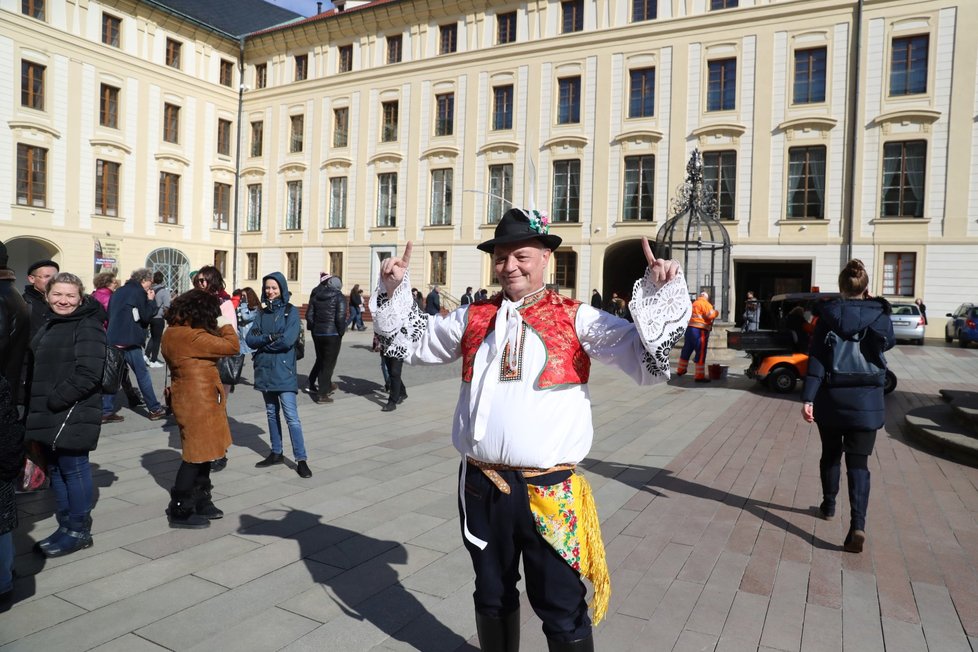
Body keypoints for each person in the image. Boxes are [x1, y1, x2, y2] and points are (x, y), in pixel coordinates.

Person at [370, 207, 690, 650]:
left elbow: (645, 358)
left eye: (521, 255)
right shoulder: (473, 316)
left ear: (545, 259)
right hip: (482, 485)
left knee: (561, 604)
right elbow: (413, 341)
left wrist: (660, 292)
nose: (509, 266)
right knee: (492, 594)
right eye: (501, 257)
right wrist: (392, 288)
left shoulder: (578, 317)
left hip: (550, 489)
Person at [801, 259, 895, 554]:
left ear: (841, 288)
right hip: (867, 400)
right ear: (866, 288)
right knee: (858, 464)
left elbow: (816, 358)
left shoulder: (827, 315)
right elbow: (888, 344)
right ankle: (858, 525)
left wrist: (808, 398)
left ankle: (828, 506)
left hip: (831, 398)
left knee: (830, 455)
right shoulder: (880, 313)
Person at [25, 272, 106, 557]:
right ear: (47, 296)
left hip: (72, 411)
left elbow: (89, 373)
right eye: (57, 294)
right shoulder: (51, 323)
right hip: (50, 411)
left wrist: (55, 400)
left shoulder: (87, 325)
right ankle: (65, 526)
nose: (63, 300)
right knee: (57, 470)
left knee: (74, 467)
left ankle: (79, 530)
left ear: (80, 298)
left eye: (70, 295)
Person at [161, 289, 239, 528]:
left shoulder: (173, 331)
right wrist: (224, 321)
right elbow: (232, 345)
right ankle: (181, 508)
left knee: (204, 452)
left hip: (193, 398)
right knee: (195, 456)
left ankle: (202, 498)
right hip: (198, 401)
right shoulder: (192, 336)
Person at [246, 273, 311, 478]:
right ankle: (276, 452)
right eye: (267, 288)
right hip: (265, 370)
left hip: (284, 370)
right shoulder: (261, 312)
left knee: (291, 417)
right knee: (271, 413)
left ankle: (301, 459)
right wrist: (270, 337)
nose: (270, 291)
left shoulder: (290, 312)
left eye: (274, 288)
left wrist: (264, 343)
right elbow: (249, 339)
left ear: (281, 288)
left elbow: (287, 341)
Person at [103, 268, 166, 421]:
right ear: (143, 280)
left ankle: (105, 410)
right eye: (149, 283)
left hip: (113, 337)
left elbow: (109, 313)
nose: (149, 287)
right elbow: (145, 317)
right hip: (129, 340)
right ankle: (154, 409)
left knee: (113, 375)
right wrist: (151, 301)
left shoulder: (118, 291)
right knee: (142, 375)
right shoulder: (139, 292)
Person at [306, 274, 347, 404]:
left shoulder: (317, 295)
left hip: (318, 333)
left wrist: (315, 328)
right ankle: (322, 394)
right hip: (332, 334)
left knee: (322, 360)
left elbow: (309, 315)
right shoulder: (339, 297)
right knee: (328, 364)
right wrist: (341, 332)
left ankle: (327, 385)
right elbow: (340, 317)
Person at [677, 291, 719, 382]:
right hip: (700, 331)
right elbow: (710, 316)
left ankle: (680, 370)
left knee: (686, 349)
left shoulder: (693, 303)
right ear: (707, 297)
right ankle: (699, 376)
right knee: (701, 352)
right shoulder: (706, 304)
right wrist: (716, 312)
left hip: (689, 329)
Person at [22, 259, 59, 339]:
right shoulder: (24, 303)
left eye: (55, 277)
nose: (52, 281)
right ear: (32, 279)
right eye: (46, 276)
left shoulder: (64, 302)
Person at [144, 271, 170, 368]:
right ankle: (153, 360)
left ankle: (146, 355)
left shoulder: (151, 290)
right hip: (159, 317)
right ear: (162, 279)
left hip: (151, 316)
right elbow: (167, 305)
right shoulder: (164, 291)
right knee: (157, 339)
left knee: (153, 337)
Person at [236, 287, 260, 355]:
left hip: (252, 348)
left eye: (244, 296)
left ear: (249, 296)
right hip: (242, 346)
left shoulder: (255, 309)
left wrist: (243, 304)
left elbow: (245, 317)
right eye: (241, 296)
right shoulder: (240, 308)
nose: (242, 298)